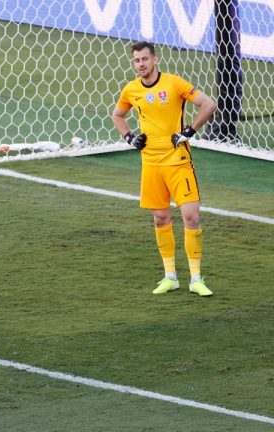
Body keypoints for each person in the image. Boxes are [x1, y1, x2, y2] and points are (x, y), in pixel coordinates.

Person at [111, 41, 217, 297]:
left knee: (191, 217)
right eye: (136, 61)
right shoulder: (131, 89)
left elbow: (209, 104)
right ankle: (170, 276)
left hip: (178, 161)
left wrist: (189, 131)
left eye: (145, 59)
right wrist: (129, 138)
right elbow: (117, 115)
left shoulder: (173, 83)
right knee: (160, 218)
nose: (141, 65)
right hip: (151, 164)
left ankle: (196, 278)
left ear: (155, 60)